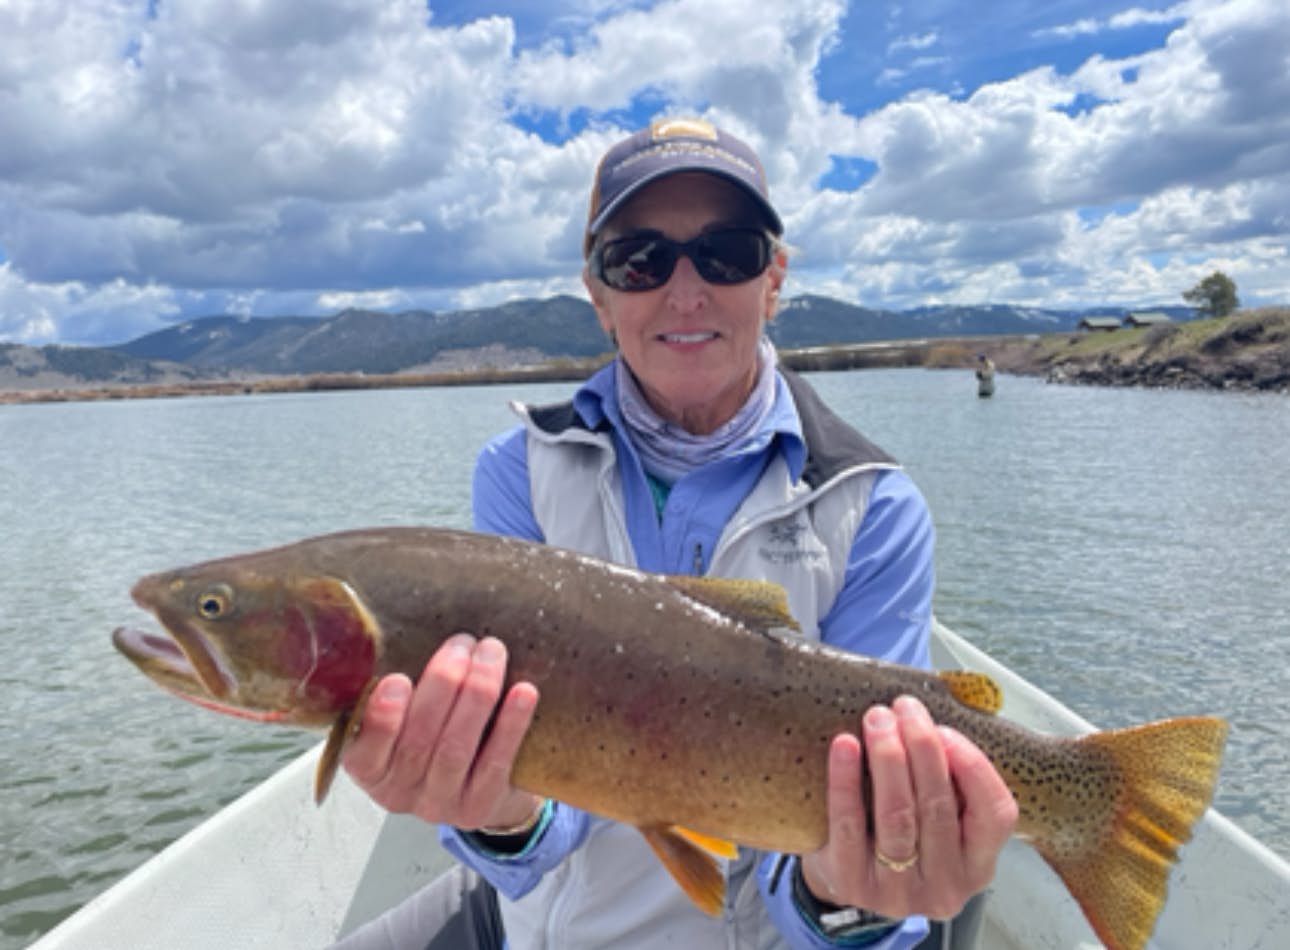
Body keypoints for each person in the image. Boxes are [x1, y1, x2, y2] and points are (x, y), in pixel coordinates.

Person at [333, 118, 1017, 950]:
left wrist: (846, 893)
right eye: (640, 260)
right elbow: (544, 825)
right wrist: (501, 814)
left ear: (773, 281)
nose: (685, 292)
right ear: (598, 295)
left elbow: (840, 890)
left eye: (726, 253)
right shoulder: (519, 472)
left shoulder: (873, 507)